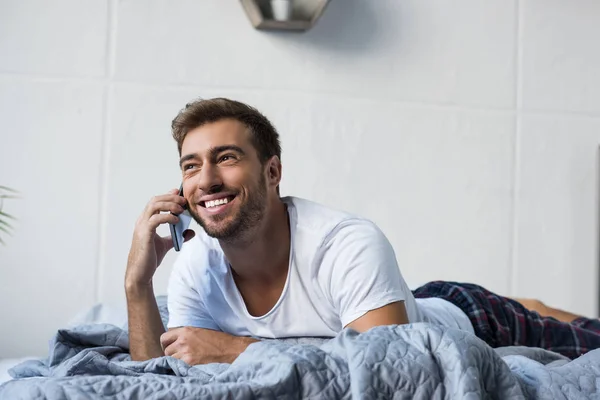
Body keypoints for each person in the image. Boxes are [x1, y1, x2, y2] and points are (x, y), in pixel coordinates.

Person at [125, 98, 600, 366]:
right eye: (191, 165)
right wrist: (138, 284)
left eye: (226, 158)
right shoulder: (194, 265)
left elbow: (394, 368)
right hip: (382, 306)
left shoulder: (346, 244)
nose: (205, 179)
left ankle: (529, 306)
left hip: (470, 318)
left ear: (272, 173)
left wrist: (235, 349)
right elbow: (154, 376)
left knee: (579, 338)